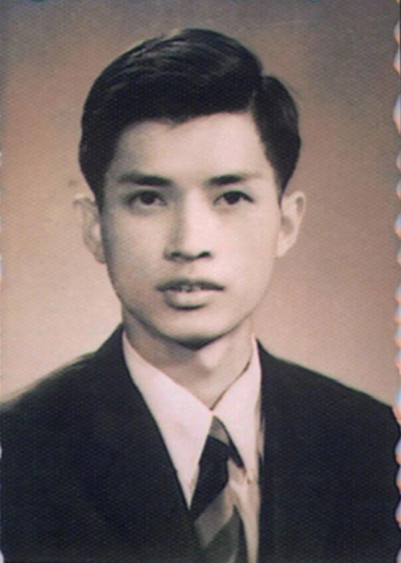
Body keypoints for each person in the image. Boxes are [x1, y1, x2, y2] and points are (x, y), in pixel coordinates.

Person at [1, 29, 398, 563]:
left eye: (231, 197)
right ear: (95, 226)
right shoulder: (19, 451)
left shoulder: (374, 444)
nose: (189, 244)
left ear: (286, 222)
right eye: (148, 199)